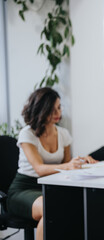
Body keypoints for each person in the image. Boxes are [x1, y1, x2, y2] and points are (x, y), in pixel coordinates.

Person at [6, 88, 96, 240]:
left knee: (77, 207)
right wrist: (67, 166)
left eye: (59, 107)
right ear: (41, 109)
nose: (57, 113)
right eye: (52, 109)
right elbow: (39, 169)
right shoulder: (27, 134)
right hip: (24, 188)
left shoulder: (63, 134)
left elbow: (68, 166)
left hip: (51, 188)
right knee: (50, 208)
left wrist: (81, 161)